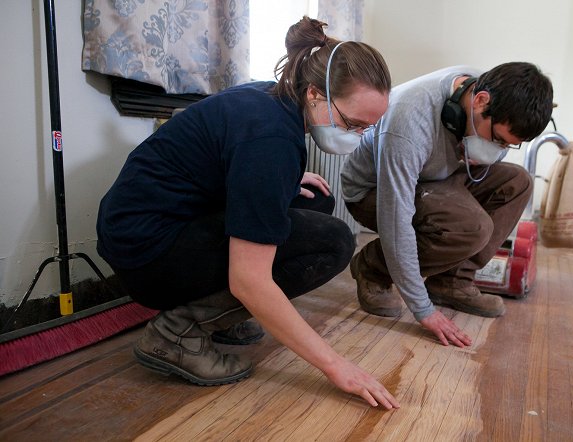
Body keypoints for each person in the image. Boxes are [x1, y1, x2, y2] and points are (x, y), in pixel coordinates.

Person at [96, 17, 399, 409]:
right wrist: (336, 366)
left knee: (314, 200)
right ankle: (178, 332)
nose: (356, 136)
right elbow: (250, 281)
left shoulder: (271, 98)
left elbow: (229, 162)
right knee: (333, 241)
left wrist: (286, 179)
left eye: (366, 129)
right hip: (147, 256)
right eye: (352, 123)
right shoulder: (270, 140)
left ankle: (216, 315)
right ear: (314, 94)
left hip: (141, 228)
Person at [340, 62, 553, 347]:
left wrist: (482, 152)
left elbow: (493, 154)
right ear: (480, 101)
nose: (499, 149)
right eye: (498, 140)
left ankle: (450, 282)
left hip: (436, 178)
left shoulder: (481, 89)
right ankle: (373, 267)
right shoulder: (409, 120)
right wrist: (422, 308)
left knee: (518, 182)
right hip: (374, 192)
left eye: (507, 145)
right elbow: (395, 216)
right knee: (471, 227)